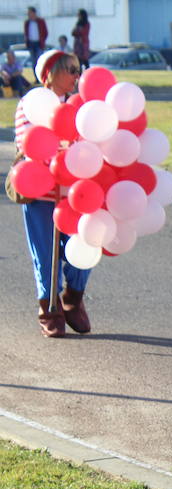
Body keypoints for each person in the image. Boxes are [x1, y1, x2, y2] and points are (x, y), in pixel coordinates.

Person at [14, 49, 89, 337]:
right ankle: (49, 306)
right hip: (39, 192)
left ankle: (73, 298)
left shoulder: (82, 105)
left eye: (78, 69)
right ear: (49, 73)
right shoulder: (31, 103)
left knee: (85, 246)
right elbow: (30, 142)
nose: (76, 75)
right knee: (45, 254)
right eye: (69, 69)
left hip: (78, 194)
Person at [23, 6, 48, 78]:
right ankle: (36, 77)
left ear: (34, 13)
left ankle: (41, 76)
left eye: (30, 13)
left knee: (40, 61)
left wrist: (42, 40)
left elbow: (45, 32)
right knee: (33, 62)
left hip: (38, 44)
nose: (28, 15)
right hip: (31, 43)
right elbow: (26, 33)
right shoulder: (27, 23)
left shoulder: (41, 21)